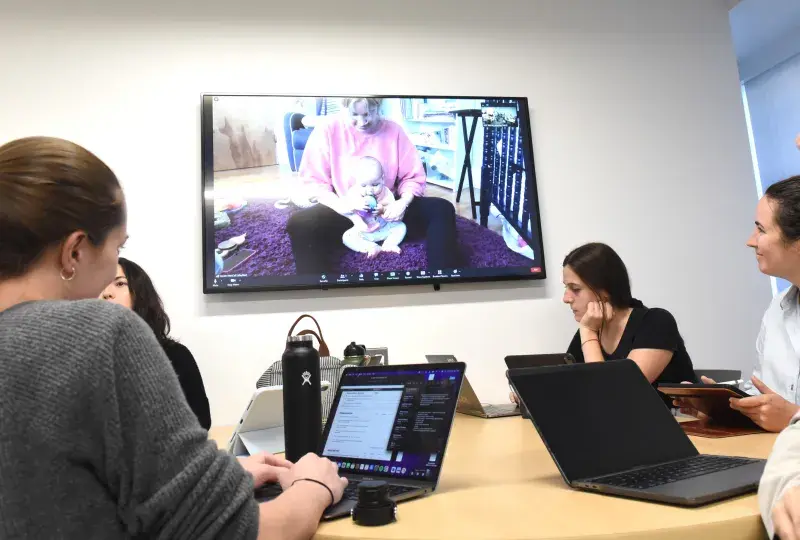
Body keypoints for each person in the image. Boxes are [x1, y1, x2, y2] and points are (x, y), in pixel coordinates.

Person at [0, 136, 346, 539]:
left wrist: (214, 481)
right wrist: (314, 486)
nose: (116, 268)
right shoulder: (98, 334)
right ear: (74, 251)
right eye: (118, 247)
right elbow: (249, 534)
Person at [675, 175, 800, 434]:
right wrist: (726, 403)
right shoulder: (777, 309)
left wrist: (794, 417)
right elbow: (768, 393)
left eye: (761, 229)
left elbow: (786, 414)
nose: (750, 240)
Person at [286, 97, 458, 273]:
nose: (362, 122)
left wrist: (402, 203)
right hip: (345, 210)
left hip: (388, 213)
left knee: (442, 208)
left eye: (368, 114)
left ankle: (444, 278)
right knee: (300, 223)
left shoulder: (394, 131)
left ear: (379, 106)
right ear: (343, 108)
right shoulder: (328, 129)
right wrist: (345, 207)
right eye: (354, 114)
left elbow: (412, 177)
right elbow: (314, 181)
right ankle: (318, 290)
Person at [510, 242, 696, 405]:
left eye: (575, 289)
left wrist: (588, 332)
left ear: (605, 290)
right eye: (566, 288)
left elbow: (613, 395)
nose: (566, 298)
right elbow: (572, 388)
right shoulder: (591, 329)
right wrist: (533, 395)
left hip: (683, 435)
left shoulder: (656, 323)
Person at [100, 257, 212, 430]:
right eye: (100, 285)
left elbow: (201, 421)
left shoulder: (176, 356)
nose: (107, 293)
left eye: (120, 284)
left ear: (140, 294)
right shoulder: (85, 358)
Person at [342, 156, 407, 258]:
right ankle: (371, 247)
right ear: (356, 181)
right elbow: (345, 207)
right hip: (364, 231)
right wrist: (356, 205)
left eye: (375, 184)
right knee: (347, 237)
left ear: (382, 179)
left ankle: (389, 244)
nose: (369, 190)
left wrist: (383, 210)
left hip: (385, 228)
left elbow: (392, 210)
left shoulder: (386, 193)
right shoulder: (353, 192)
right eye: (363, 185)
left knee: (401, 227)